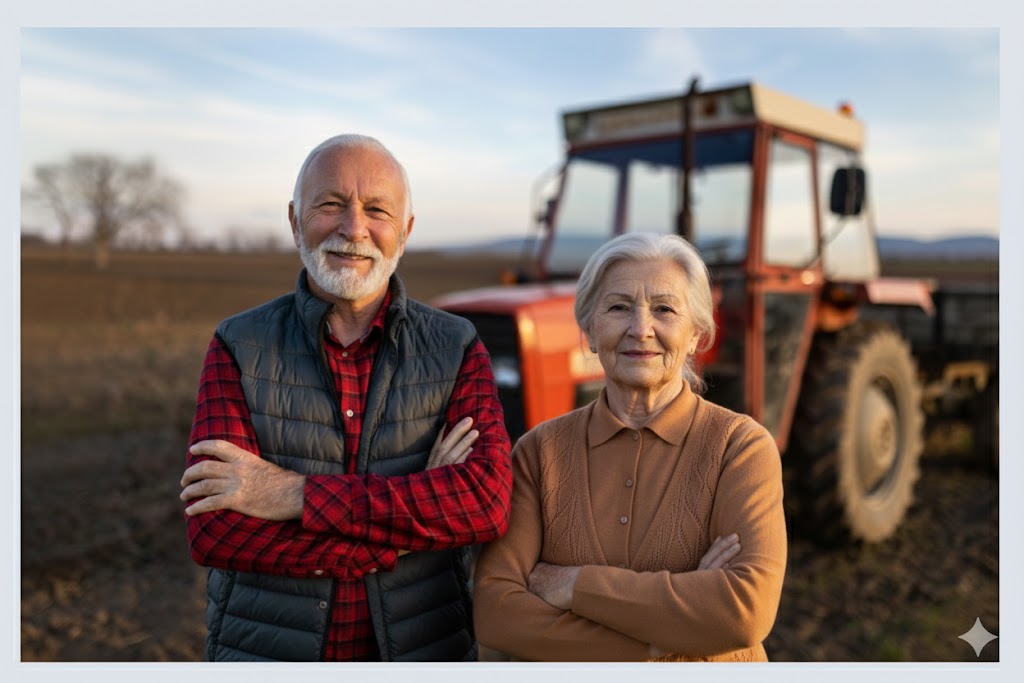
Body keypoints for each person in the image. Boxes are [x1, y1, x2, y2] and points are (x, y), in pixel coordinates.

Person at [179, 134, 512, 662]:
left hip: (426, 651)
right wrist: (407, 533)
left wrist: (295, 495)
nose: (353, 227)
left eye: (376, 209)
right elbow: (217, 532)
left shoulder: (457, 346)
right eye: (330, 204)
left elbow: (484, 504)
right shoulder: (237, 345)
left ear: (404, 231)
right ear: (294, 220)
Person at [472, 232, 787, 662]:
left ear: (695, 334)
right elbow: (497, 614)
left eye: (664, 309)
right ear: (589, 330)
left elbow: (743, 612)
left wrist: (573, 585)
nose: (641, 329)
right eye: (619, 307)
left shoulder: (740, 448)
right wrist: (663, 639)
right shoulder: (537, 453)